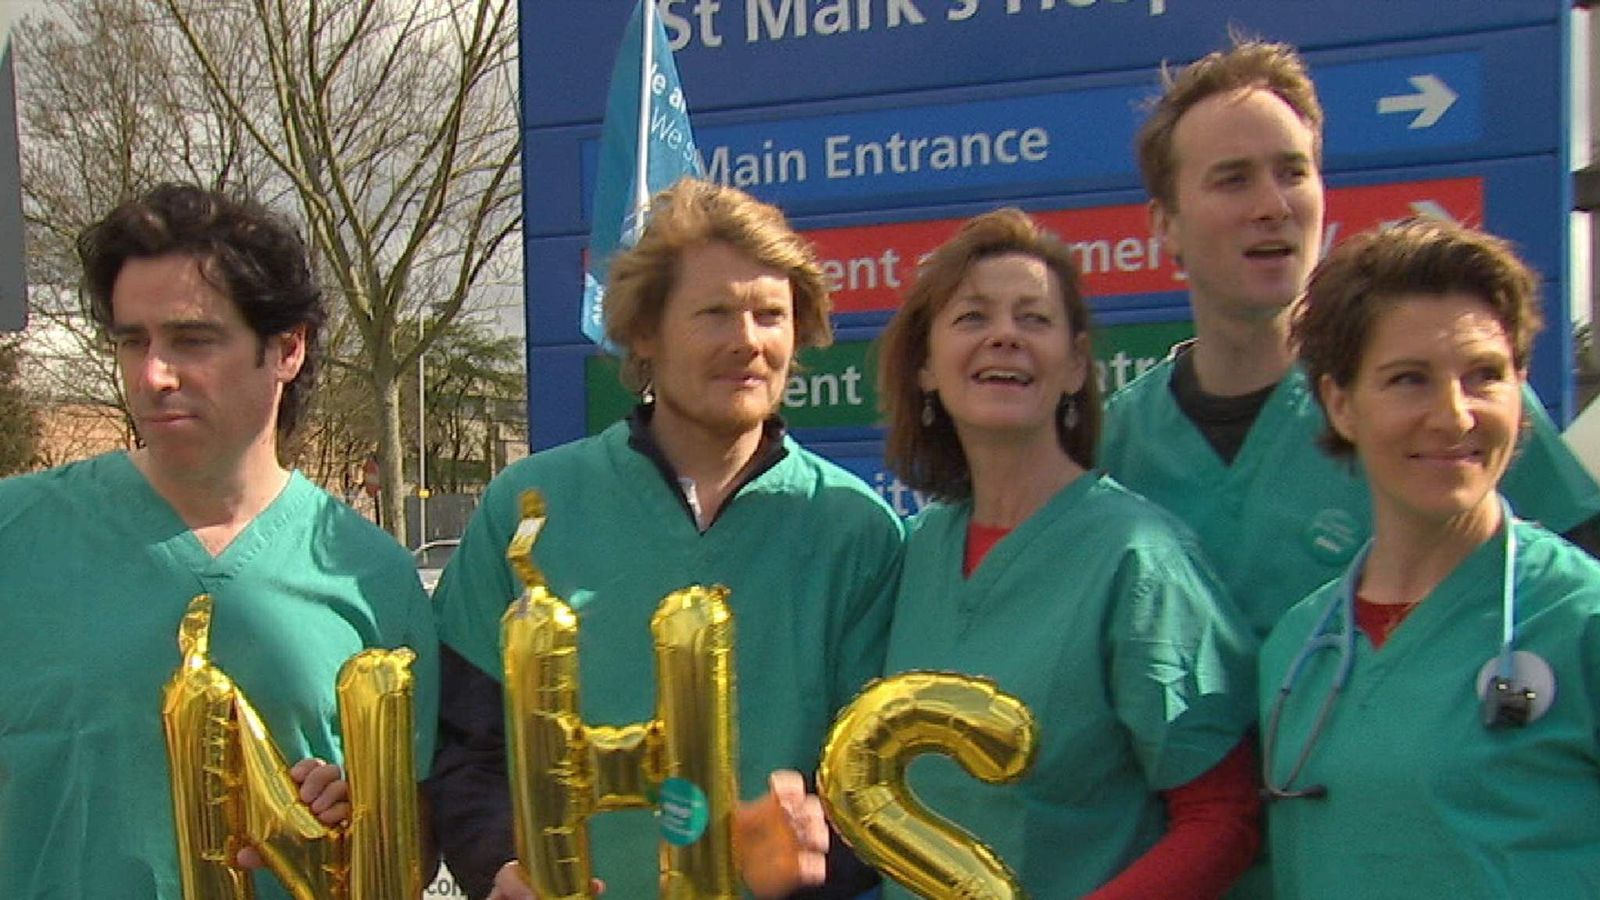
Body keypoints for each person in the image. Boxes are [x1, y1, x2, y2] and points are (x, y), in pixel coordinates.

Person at [426, 177, 905, 899]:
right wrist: (497, 869)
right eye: (714, 313)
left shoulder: (856, 529)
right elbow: (465, 749)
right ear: (646, 330)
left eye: (770, 315)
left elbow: (879, 783)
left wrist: (820, 851)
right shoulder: (527, 508)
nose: (747, 340)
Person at [0, 183, 439, 897]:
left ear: (287, 347)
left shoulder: (373, 577)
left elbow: (411, 850)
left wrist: (359, 824)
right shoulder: (14, 537)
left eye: (191, 340)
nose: (152, 375)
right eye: (131, 341)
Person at [1100, 37, 1600, 641]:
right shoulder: (1118, 446)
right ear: (1165, 225)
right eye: (1233, 180)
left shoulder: (1449, 403)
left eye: (1293, 173)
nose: (1273, 205)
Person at [874, 207, 1260, 898]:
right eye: (972, 318)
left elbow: (1223, 816)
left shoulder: (1140, 561)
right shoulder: (918, 553)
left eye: (1034, 319)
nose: (1004, 337)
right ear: (926, 367)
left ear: (1076, 364)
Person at [1259, 217, 1600, 896]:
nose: (1453, 415)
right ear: (1340, 402)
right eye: (1409, 379)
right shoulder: (1301, 649)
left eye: (1484, 376)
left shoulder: (1579, 621)